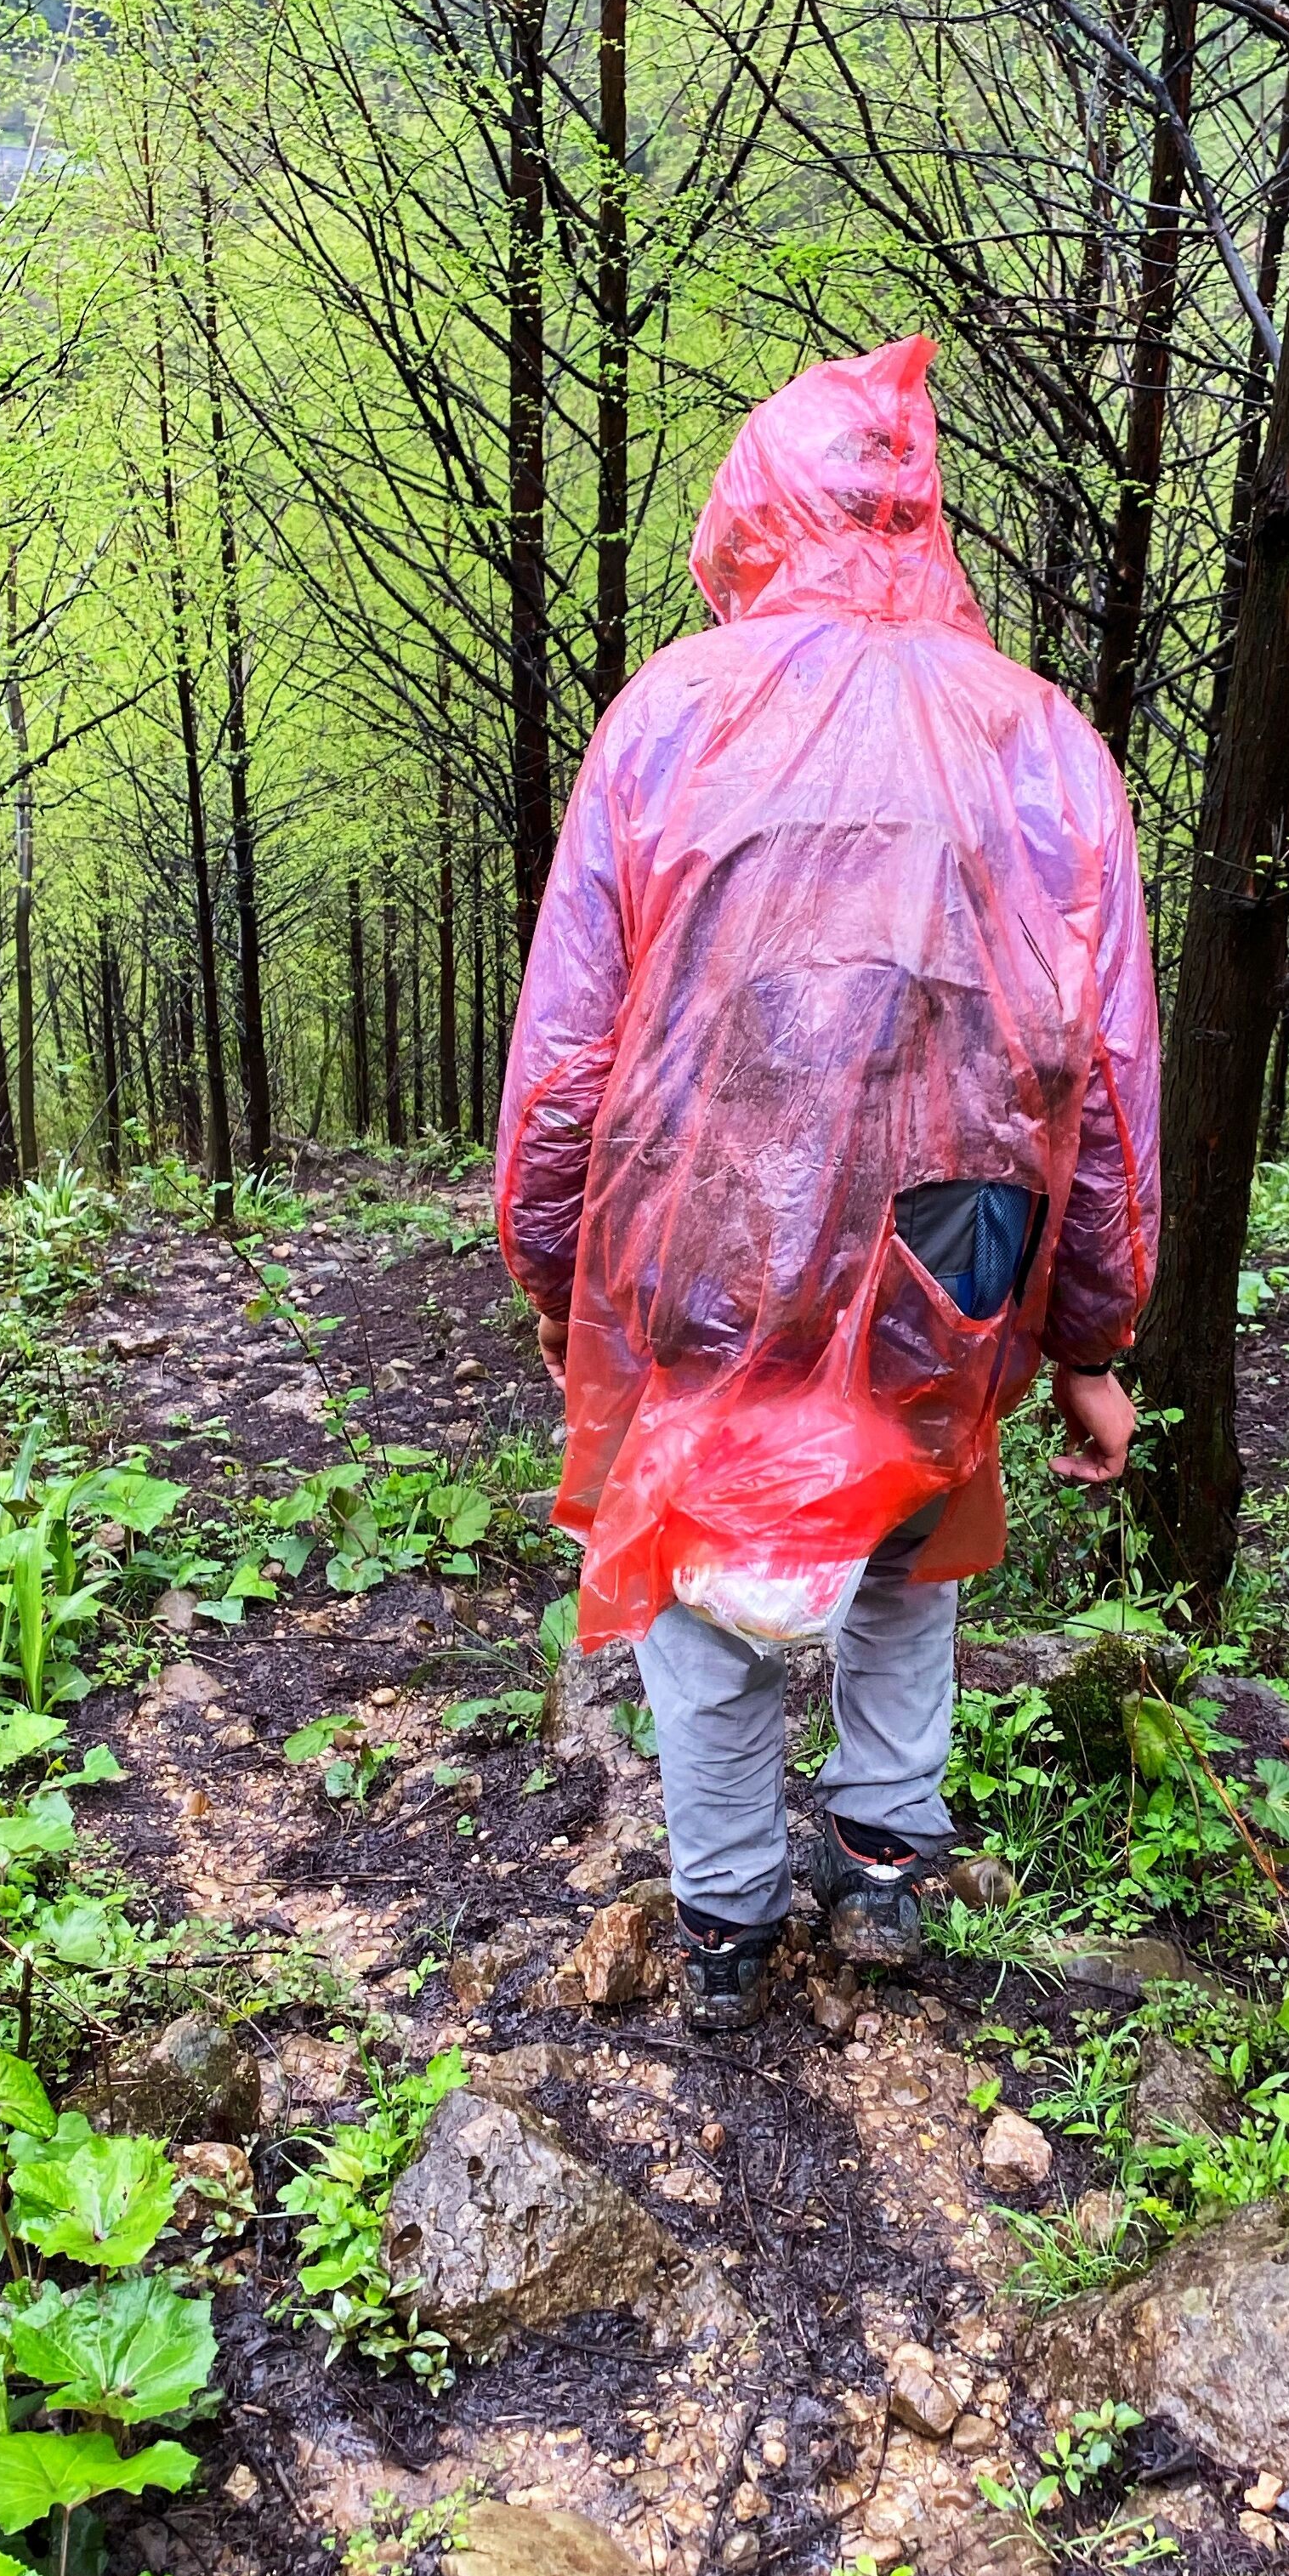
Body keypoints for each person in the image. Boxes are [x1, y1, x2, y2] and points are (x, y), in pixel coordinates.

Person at [496, 337, 1160, 2031]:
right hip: (962, 1231)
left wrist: (555, 1269)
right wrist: (1090, 1337)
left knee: (702, 1587)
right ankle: (881, 1870)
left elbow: (567, 1057)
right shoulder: (1046, 748)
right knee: (908, 1534)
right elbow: (1111, 1080)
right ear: (920, 518)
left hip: (698, 1228)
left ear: (755, 513)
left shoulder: (667, 723)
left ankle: (723, 1920)